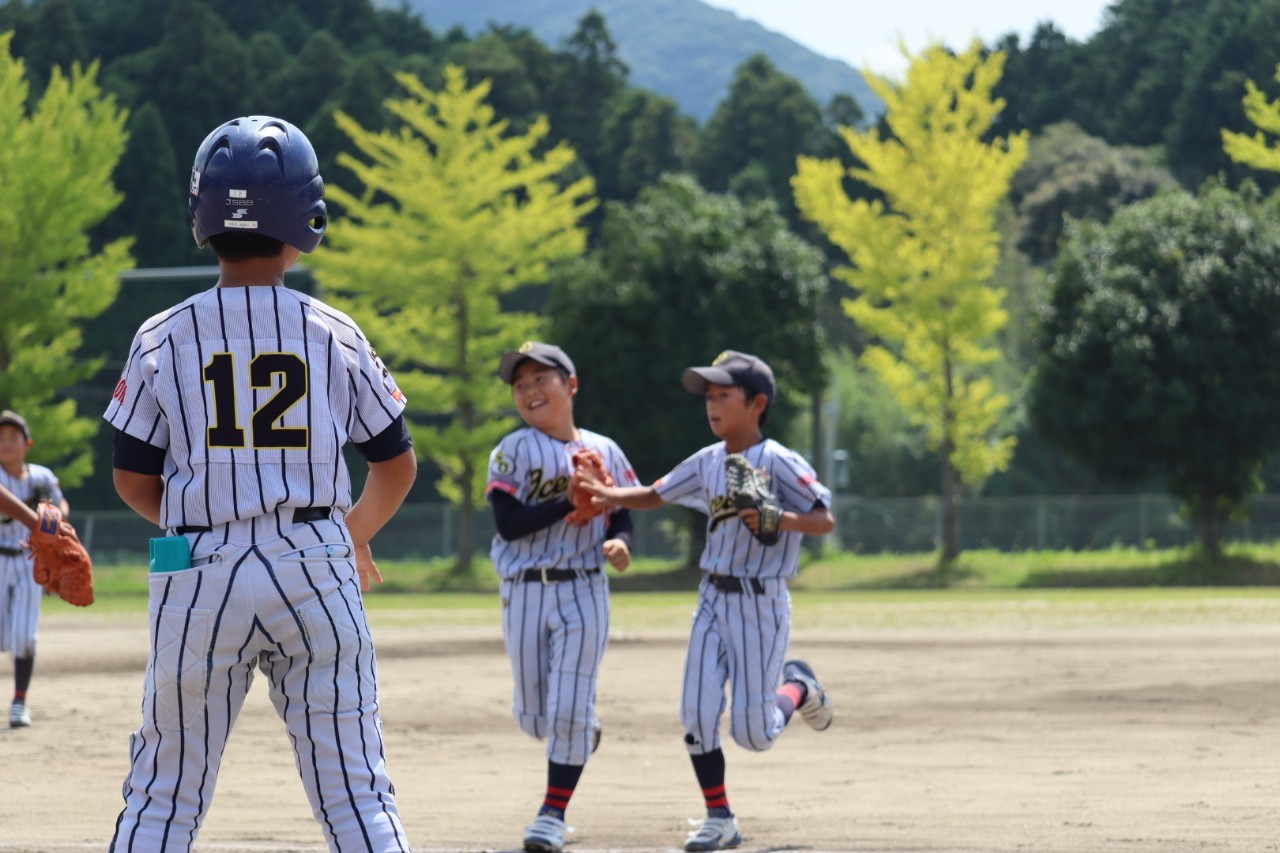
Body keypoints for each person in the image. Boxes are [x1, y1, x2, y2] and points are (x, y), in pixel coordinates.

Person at [102, 116, 417, 852]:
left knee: (164, 794)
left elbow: (129, 476)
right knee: (356, 793)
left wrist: (191, 519)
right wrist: (348, 537)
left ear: (203, 217)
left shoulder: (161, 334)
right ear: (303, 220)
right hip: (313, 558)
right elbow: (395, 462)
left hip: (197, 566)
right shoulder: (334, 330)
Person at [576, 350, 836, 852]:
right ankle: (720, 817)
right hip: (712, 598)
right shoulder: (708, 460)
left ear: (757, 403)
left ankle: (798, 685)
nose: (712, 406)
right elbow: (655, 493)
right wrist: (608, 495)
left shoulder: (778, 461)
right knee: (696, 713)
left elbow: (823, 520)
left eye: (724, 395)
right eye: (708, 397)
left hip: (761, 604)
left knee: (754, 734)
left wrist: (778, 518)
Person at [486, 341, 639, 853]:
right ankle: (579, 733)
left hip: (584, 588)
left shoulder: (607, 449)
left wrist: (620, 542)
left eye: (540, 379)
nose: (529, 390)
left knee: (567, 711)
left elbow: (622, 512)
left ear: (570, 386)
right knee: (536, 721)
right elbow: (508, 526)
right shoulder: (512, 449)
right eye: (520, 384)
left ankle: (552, 814)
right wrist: (565, 501)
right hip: (524, 591)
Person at [0, 409, 69, 729]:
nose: (6, 443)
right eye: (1, 438)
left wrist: (56, 517)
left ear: (28, 443)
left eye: (13, 437)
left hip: (30, 563)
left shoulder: (41, 477)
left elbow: (60, 506)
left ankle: (18, 702)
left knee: (25, 636)